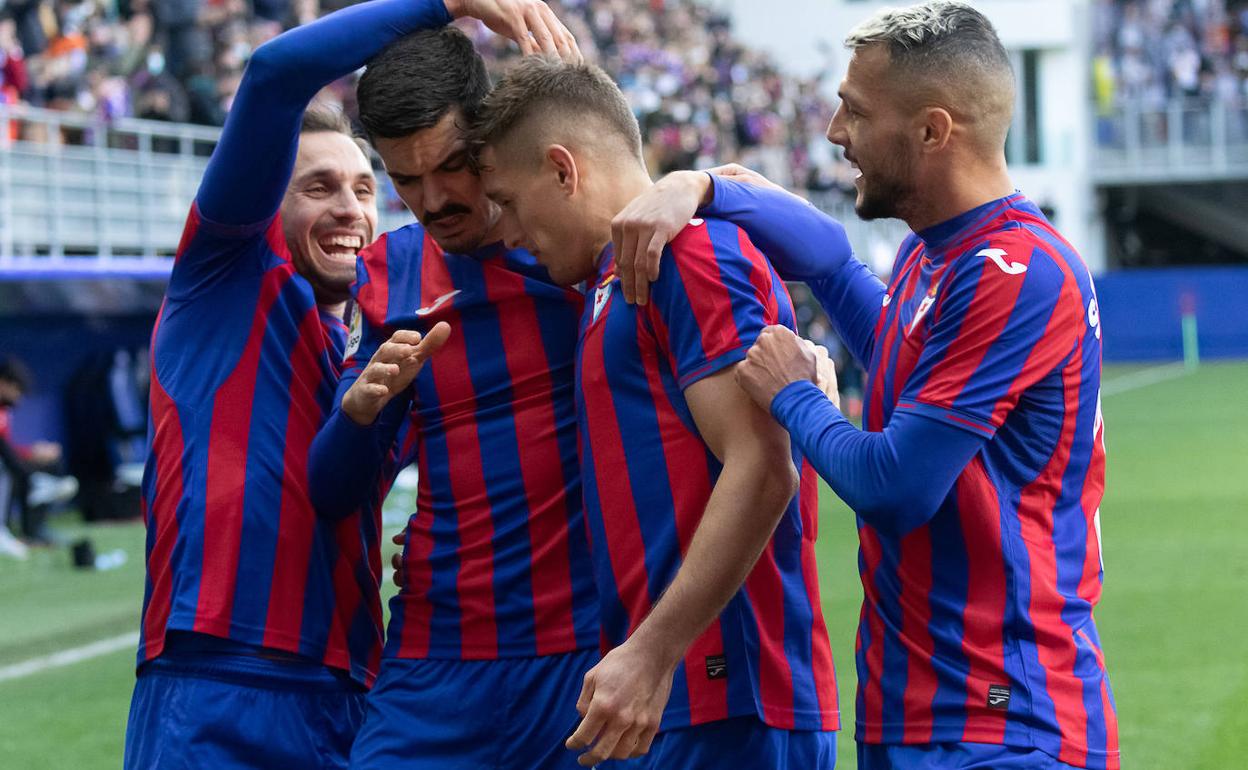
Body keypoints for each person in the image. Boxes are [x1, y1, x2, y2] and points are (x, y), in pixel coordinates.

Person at [610, 2, 1119, 769]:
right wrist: (701, 186)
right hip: (913, 710)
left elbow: (894, 486)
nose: (833, 132)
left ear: (932, 130)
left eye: (855, 110)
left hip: (1001, 717)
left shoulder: (1015, 272)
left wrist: (796, 394)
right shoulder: (938, 258)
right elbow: (833, 263)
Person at [124, 1, 569, 767]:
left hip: (355, 688)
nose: (353, 211)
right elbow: (273, 76)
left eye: (369, 190)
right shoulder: (223, 280)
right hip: (219, 677)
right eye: (320, 188)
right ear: (268, 202)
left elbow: (341, 486)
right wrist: (448, 6)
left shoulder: (380, 328)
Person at [471, 57, 839, 769]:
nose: (507, 232)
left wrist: (651, 652)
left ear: (562, 170)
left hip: (726, 696)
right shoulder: (613, 281)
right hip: (670, 698)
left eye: (508, 202)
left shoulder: (692, 254)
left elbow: (765, 467)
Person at [305, 20, 598, 770]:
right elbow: (334, 490)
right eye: (405, 178)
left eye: (453, 166)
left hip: (588, 654)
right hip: (436, 661)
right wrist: (358, 411)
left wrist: (705, 186)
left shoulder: (580, 248)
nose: (433, 200)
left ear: (491, 130)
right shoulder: (392, 274)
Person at [0, 355, 77, 555]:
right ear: (4, 383)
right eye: (17, 390)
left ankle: (33, 530)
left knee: (50, 462)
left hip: (9, 462)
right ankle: (38, 484)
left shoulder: (5, 410)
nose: (18, 397)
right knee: (10, 469)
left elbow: (7, 447)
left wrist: (32, 452)